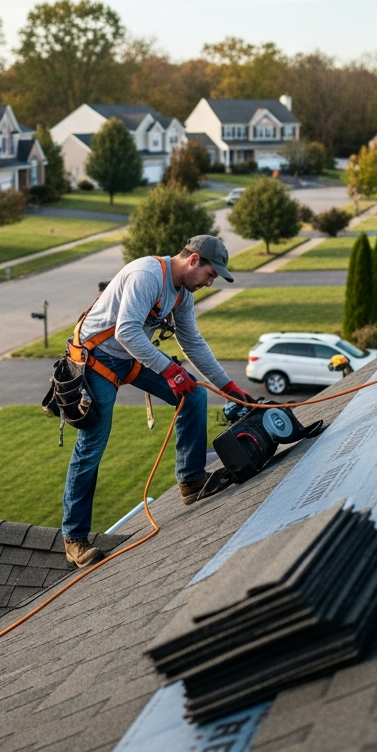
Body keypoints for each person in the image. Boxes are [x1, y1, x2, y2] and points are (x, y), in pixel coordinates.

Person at [62, 235, 252, 567]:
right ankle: (74, 539)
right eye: (210, 274)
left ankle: (191, 481)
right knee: (92, 444)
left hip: (129, 356)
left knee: (194, 394)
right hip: (95, 359)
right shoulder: (147, 275)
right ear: (193, 261)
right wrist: (169, 371)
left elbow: (192, 341)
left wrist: (229, 385)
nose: (210, 282)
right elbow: (126, 332)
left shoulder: (182, 292)